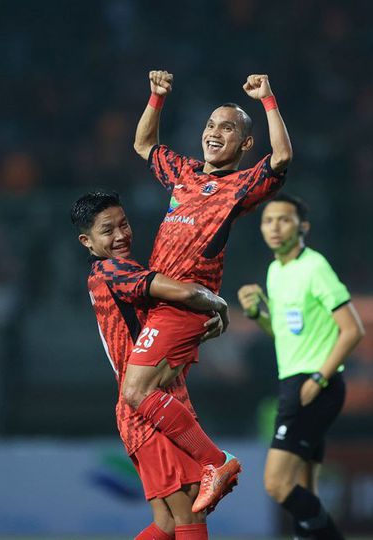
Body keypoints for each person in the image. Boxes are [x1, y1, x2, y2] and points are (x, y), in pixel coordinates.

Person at [128, 69, 293, 512]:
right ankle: (193, 474)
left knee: (136, 392)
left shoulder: (239, 187)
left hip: (185, 303)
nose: (214, 132)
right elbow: (144, 145)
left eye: (228, 127)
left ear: (243, 145)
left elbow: (281, 157)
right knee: (161, 398)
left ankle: (216, 462)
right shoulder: (181, 173)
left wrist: (268, 99)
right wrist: (156, 98)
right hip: (158, 304)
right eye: (210, 124)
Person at [72, 191, 230, 540]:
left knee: (168, 523)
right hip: (148, 408)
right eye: (107, 230)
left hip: (145, 406)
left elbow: (160, 332)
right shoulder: (113, 271)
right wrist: (219, 306)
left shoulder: (109, 274)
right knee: (190, 509)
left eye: (124, 224)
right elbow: (187, 293)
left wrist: (202, 329)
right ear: (87, 241)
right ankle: (218, 460)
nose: (120, 235)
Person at [237, 193, 365, 540]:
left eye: (284, 219)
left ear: (302, 227)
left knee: (277, 484)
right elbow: (281, 332)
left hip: (313, 385)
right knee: (306, 487)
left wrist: (319, 378)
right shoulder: (276, 271)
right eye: (268, 220)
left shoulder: (315, 267)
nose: (274, 227)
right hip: (294, 383)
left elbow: (353, 330)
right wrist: (256, 314)